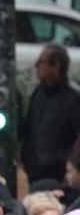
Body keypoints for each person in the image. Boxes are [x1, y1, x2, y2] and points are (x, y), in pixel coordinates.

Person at [22, 44, 80, 183]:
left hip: (60, 174)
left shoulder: (73, 97)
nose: (36, 66)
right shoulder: (38, 93)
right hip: (35, 170)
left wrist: (69, 163)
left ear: (56, 66)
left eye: (41, 62)